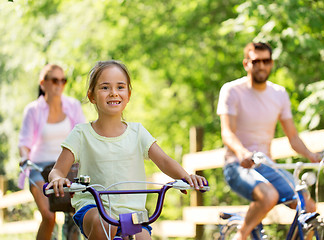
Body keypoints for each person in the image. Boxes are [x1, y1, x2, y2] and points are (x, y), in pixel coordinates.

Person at [45, 60, 208, 240]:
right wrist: (58, 179)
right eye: (105, 87)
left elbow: (164, 160)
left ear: (128, 95)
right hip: (93, 208)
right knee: (103, 225)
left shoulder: (137, 132)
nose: (114, 93)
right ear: (91, 96)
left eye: (120, 87)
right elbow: (58, 170)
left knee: (144, 238)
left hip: (133, 214)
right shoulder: (81, 134)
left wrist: (185, 176)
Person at [217, 42, 320, 240]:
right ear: (246, 63)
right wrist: (242, 153)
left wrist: (311, 155)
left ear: (272, 63)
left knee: (308, 206)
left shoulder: (279, 94)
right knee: (269, 196)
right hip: (237, 165)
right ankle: (241, 235)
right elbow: (227, 133)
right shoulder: (231, 90)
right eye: (256, 61)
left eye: (266, 61)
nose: (261, 66)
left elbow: (293, 137)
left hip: (267, 166)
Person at [18, 64, 86, 240]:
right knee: (49, 216)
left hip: (68, 168)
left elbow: (83, 136)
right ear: (43, 83)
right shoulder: (33, 110)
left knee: (76, 217)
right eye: (55, 80)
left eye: (63, 80)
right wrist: (24, 157)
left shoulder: (73, 106)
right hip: (39, 169)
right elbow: (24, 143)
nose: (59, 84)